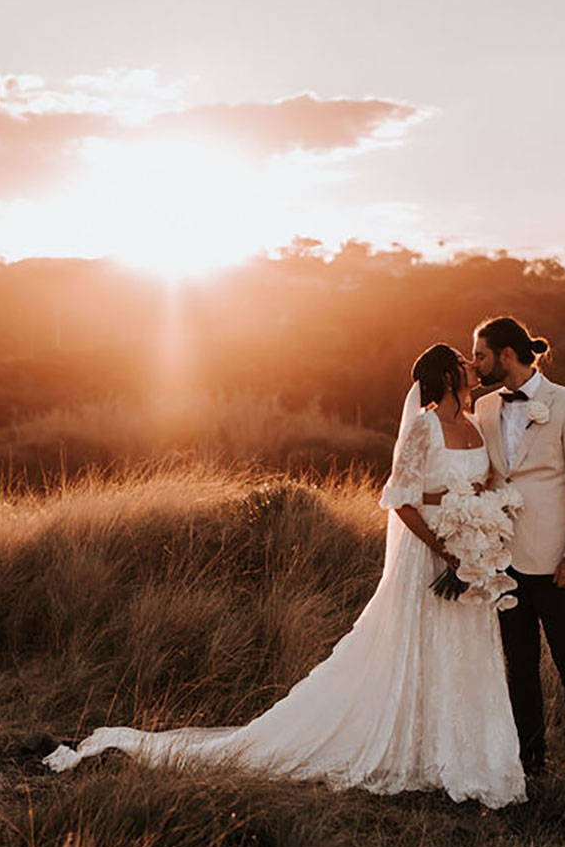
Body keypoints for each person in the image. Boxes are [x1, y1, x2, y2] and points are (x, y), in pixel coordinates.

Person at [42, 344, 526, 809]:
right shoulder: (422, 429)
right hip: (430, 555)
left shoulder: (475, 425)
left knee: (462, 649)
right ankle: (410, 747)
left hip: (470, 554)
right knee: (420, 645)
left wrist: (477, 538)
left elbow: (481, 485)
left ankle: (462, 752)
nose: (471, 366)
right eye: (463, 362)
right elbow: (399, 498)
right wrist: (444, 548)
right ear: (445, 376)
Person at [471, 316, 565, 777]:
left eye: (481, 354)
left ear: (506, 356)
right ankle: (529, 764)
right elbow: (485, 476)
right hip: (503, 562)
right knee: (519, 669)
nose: (476, 363)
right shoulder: (484, 408)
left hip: (557, 562)